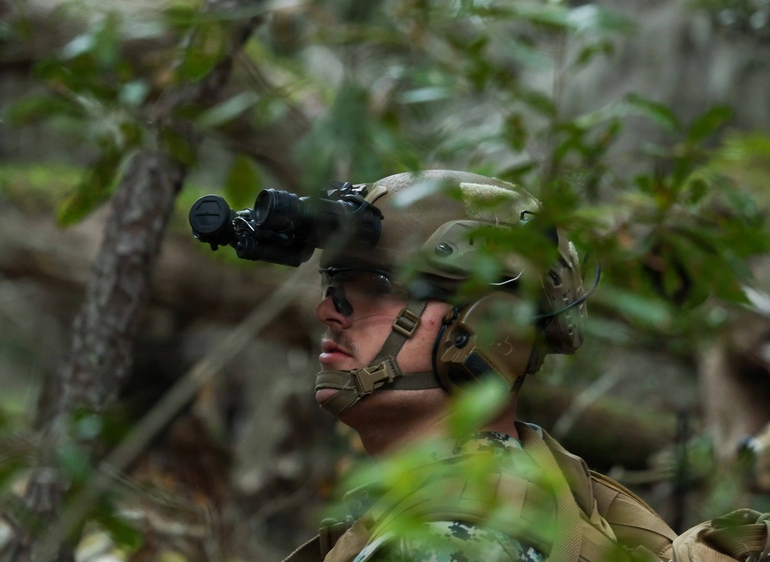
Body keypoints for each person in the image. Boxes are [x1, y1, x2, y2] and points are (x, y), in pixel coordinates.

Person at [275, 170, 676, 562]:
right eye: (335, 286)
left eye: (379, 286)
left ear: (488, 327)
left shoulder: (453, 539)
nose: (327, 310)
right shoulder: (506, 499)